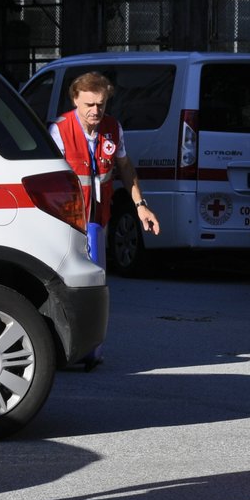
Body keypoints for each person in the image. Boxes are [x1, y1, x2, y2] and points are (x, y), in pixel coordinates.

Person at [51, 72, 159, 367]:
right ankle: (63, 349)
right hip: (70, 224)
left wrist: (140, 205)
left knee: (97, 285)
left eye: (100, 104)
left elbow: (124, 167)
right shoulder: (60, 130)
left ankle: (92, 350)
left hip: (101, 220)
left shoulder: (112, 128)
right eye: (89, 104)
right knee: (68, 286)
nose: (95, 111)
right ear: (75, 100)